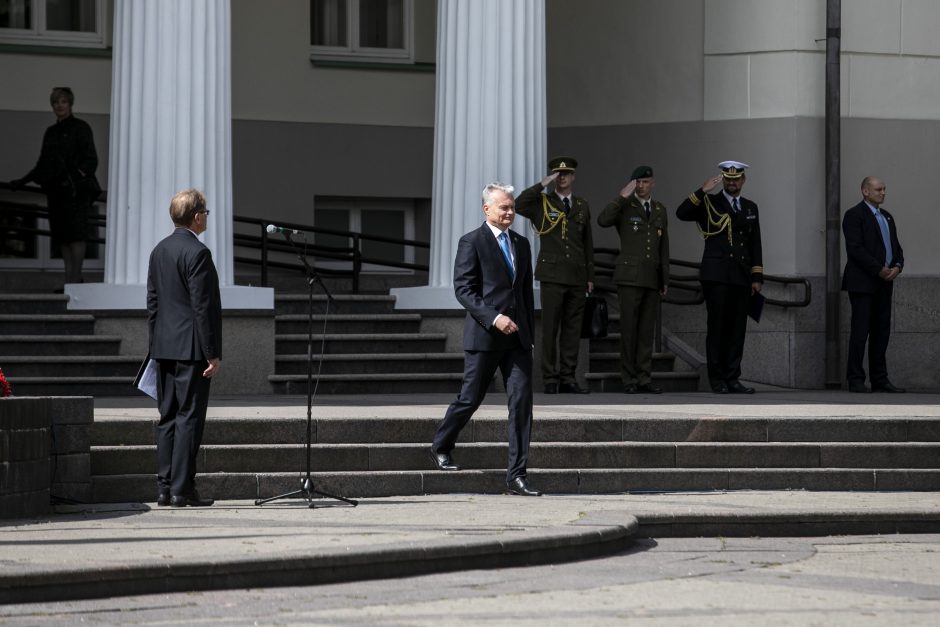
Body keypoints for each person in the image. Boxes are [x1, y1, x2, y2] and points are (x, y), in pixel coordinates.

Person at [429, 182, 541, 497]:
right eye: (504, 207)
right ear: (486, 208)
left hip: (518, 340)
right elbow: (464, 289)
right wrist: (493, 317)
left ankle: (517, 475)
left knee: (521, 404)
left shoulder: (521, 243)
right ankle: (442, 444)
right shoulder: (472, 242)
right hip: (485, 336)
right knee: (470, 398)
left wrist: (528, 334)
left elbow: (523, 294)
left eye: (512, 207)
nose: (510, 213)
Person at [147, 189, 222, 507]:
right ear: (196, 216)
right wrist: (212, 352)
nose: (206, 217)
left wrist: (155, 345)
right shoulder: (198, 253)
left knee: (168, 416)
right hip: (192, 350)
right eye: (205, 212)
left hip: (163, 346)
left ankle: (164, 488)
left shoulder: (159, 251)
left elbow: (152, 302)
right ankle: (182, 489)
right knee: (190, 418)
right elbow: (202, 307)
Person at [676, 161, 763, 394]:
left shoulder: (750, 207)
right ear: (723, 179)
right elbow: (681, 213)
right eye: (728, 179)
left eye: (736, 179)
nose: (732, 182)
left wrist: (757, 276)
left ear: (743, 180)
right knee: (717, 328)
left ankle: (733, 377)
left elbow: (755, 243)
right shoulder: (709, 202)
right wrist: (701, 191)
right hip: (716, 275)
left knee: (737, 329)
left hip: (741, 276)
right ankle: (717, 379)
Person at [514, 156, 594, 395]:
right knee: (550, 329)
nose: (563, 178)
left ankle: (568, 378)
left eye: (567, 174)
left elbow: (587, 242)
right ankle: (550, 378)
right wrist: (541, 184)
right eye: (558, 174)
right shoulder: (542, 203)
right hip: (552, 275)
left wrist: (590, 276)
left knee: (572, 330)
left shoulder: (581, 205)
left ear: (573, 177)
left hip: (577, 276)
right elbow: (518, 204)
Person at [11, 87, 100, 289]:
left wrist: (75, 177)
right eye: (56, 102)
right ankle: (69, 281)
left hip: (75, 193)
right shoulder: (51, 132)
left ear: (70, 104)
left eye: (63, 102)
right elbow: (42, 163)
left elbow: (91, 159)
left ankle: (75, 280)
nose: (59, 106)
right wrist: (21, 181)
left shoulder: (80, 127)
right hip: (57, 192)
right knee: (62, 237)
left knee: (76, 235)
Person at [597, 165, 670, 394]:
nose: (642, 186)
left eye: (645, 182)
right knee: (629, 330)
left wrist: (664, 279)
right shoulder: (625, 207)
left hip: (651, 277)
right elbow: (603, 220)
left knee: (646, 332)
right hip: (629, 278)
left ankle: (643, 377)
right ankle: (628, 379)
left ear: (653, 183)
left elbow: (663, 247)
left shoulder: (659, 209)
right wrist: (621, 196)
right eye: (638, 182)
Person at [841, 176, 905, 393]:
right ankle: (856, 379)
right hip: (863, 283)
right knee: (861, 332)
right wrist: (878, 268)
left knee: (881, 331)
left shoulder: (887, 217)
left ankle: (880, 379)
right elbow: (855, 249)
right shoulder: (854, 215)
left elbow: (896, 248)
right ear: (865, 191)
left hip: (885, 283)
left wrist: (897, 266)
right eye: (878, 189)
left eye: (884, 189)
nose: (883, 193)